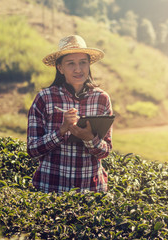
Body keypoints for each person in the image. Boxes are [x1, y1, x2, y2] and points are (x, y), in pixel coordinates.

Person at [27, 35, 113, 194]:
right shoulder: (45, 98)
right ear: (60, 68)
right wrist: (61, 131)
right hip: (50, 188)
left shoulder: (101, 99)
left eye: (83, 63)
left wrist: (89, 138)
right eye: (71, 63)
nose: (78, 69)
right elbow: (32, 149)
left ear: (89, 64)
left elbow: (106, 150)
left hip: (90, 190)